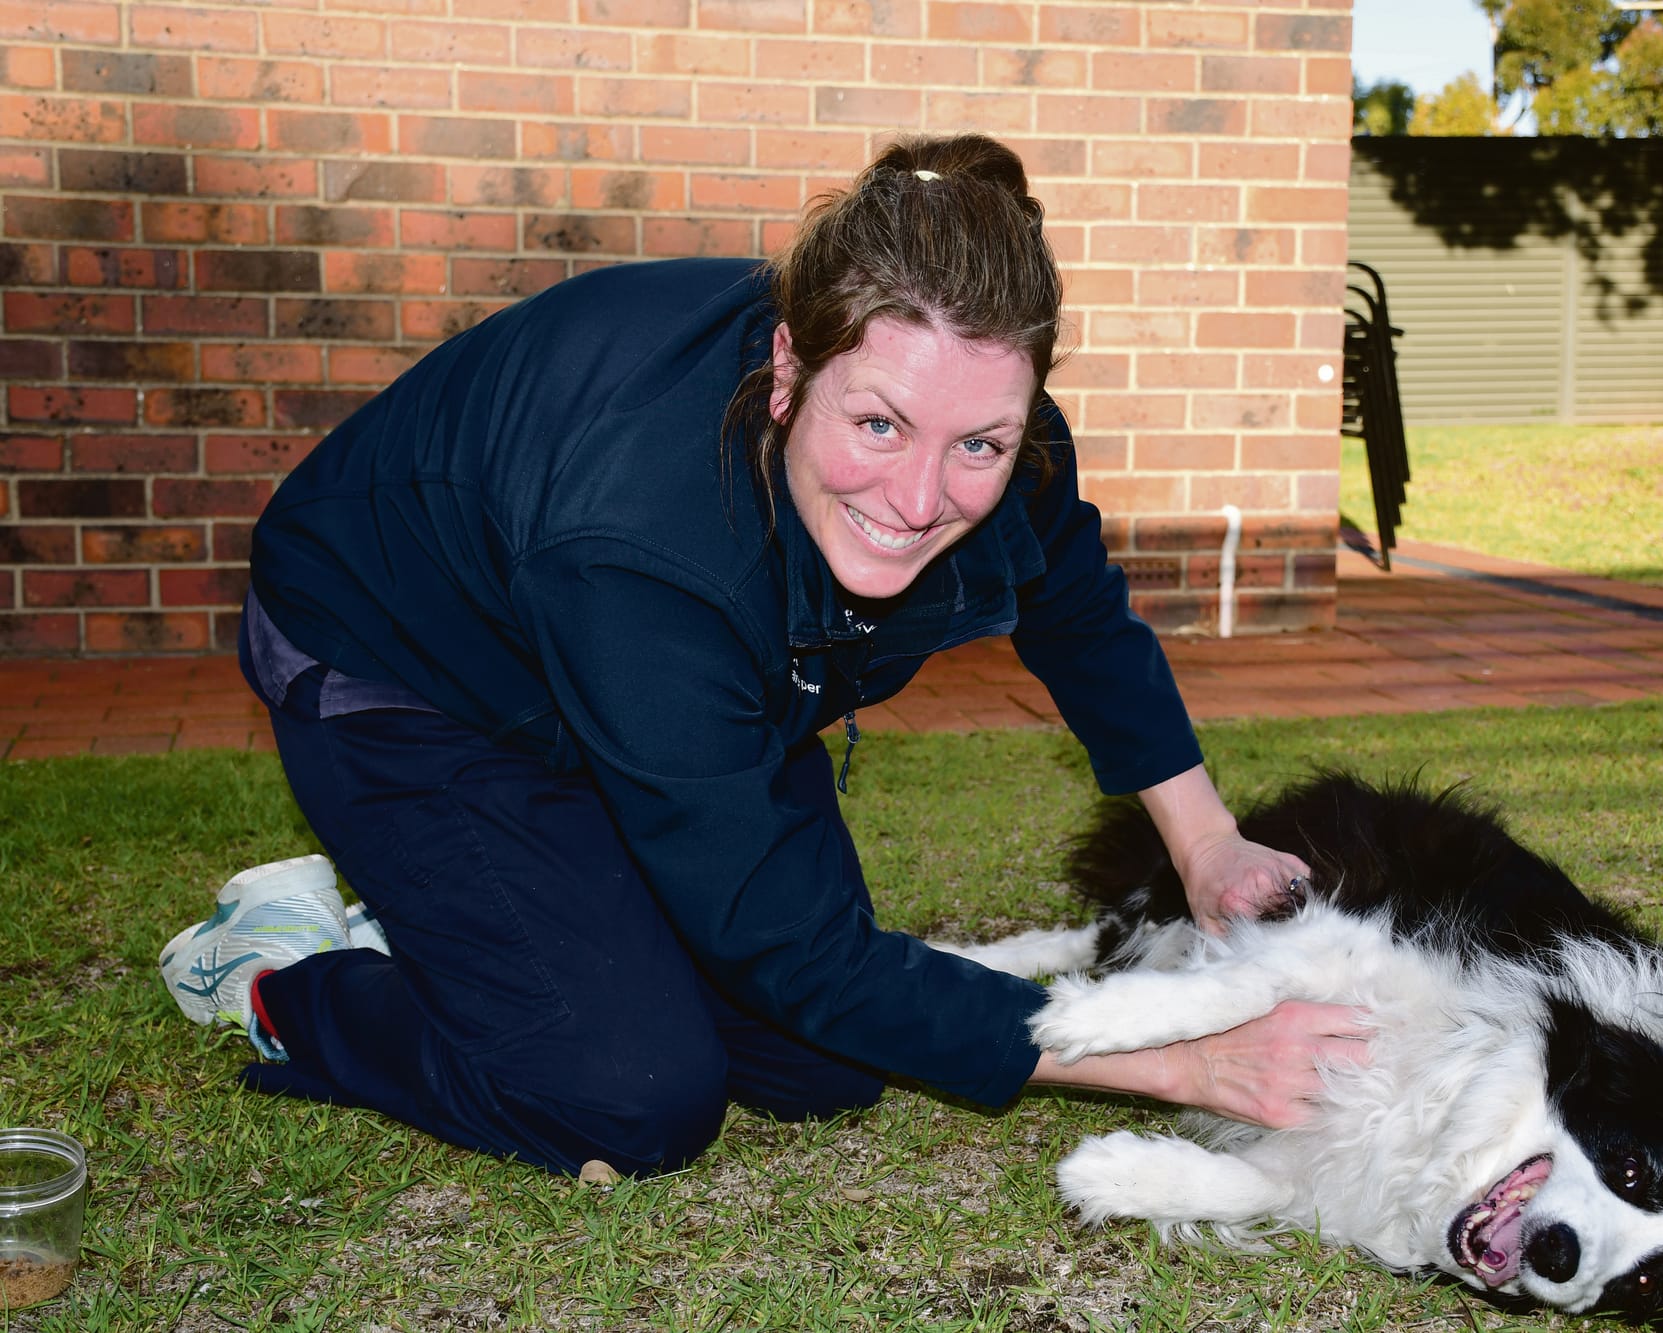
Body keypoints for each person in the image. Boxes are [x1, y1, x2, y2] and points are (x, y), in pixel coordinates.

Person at [159, 134, 1368, 1179]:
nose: (920, 493)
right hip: (409, 657)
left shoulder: (989, 414)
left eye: (978, 445)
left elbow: (1078, 616)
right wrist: (1184, 1062)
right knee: (630, 1092)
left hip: (650, 671)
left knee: (818, 1063)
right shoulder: (645, 552)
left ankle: (484, 922)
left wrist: (1204, 841)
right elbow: (792, 946)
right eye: (878, 423)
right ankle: (289, 974)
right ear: (788, 368)